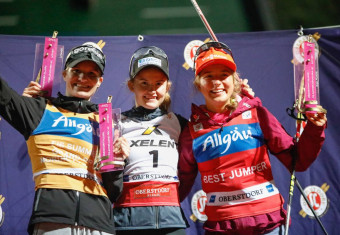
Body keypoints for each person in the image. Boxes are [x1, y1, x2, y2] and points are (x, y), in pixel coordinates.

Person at [178, 41, 327, 235]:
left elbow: (297, 161)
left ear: (235, 80)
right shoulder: (191, 131)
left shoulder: (257, 114)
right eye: (208, 76)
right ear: (198, 83)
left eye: (223, 75)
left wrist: (315, 128)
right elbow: (180, 184)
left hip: (268, 225)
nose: (216, 82)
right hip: (222, 227)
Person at [1, 42, 129, 235]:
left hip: (100, 224)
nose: (82, 79)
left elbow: (113, 191)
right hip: (52, 219)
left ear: (100, 81)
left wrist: (118, 162)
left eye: (91, 74)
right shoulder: (39, 110)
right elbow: (4, 96)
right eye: (76, 71)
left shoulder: (106, 123)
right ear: (64, 74)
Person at [111, 46, 189, 235]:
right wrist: (113, 157)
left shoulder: (180, 123)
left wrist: (241, 98)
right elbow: (104, 176)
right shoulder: (116, 123)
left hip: (171, 221)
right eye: (144, 83)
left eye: (158, 83)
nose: (151, 90)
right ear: (131, 85)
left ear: (167, 86)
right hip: (128, 221)